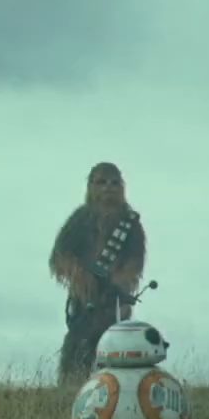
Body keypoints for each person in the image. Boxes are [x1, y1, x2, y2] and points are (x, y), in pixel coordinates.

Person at [49, 162, 147, 387]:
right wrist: (82, 278)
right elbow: (60, 256)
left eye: (114, 183)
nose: (108, 188)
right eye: (101, 182)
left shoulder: (130, 224)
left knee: (116, 353)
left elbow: (135, 261)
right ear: (91, 186)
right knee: (77, 350)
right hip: (84, 301)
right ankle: (71, 392)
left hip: (115, 302)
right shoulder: (80, 219)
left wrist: (118, 284)